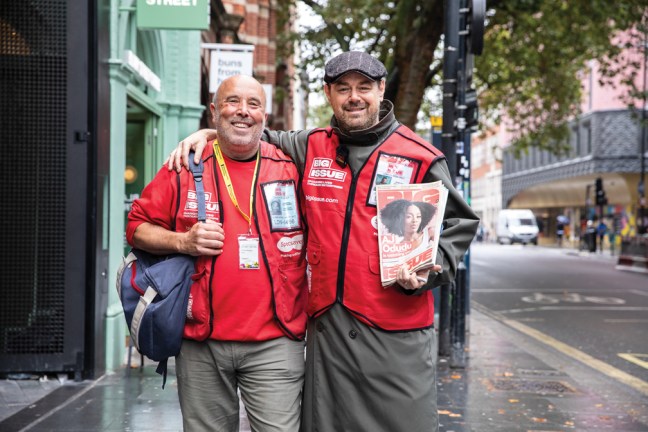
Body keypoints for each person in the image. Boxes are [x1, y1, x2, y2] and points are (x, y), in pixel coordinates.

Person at [170, 52, 479, 432]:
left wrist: (429, 269)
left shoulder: (420, 157)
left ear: (381, 90)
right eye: (343, 88)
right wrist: (208, 132)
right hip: (329, 335)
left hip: (392, 337)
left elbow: (459, 223)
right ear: (329, 94)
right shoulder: (310, 146)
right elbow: (252, 131)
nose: (354, 97)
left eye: (364, 88)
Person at [127, 75, 307, 432]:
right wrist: (183, 242)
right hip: (200, 342)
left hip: (276, 341)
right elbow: (136, 227)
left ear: (265, 116)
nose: (243, 111)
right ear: (213, 111)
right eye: (231, 102)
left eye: (253, 104)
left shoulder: (290, 168)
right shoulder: (184, 165)